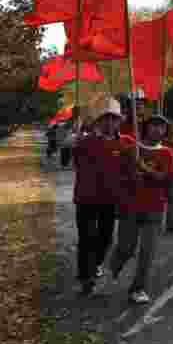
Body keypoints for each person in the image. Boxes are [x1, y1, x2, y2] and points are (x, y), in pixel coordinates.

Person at [109, 115, 173, 304]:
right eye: (154, 126)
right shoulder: (132, 149)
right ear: (145, 128)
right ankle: (115, 264)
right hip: (130, 206)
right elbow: (119, 173)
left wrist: (145, 169)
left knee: (148, 252)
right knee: (126, 248)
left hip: (154, 208)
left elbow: (164, 178)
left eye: (162, 127)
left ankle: (138, 288)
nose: (158, 130)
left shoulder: (167, 153)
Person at [72, 99, 133, 296]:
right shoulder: (85, 141)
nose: (109, 123)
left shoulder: (126, 142)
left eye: (113, 119)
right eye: (105, 119)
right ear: (98, 121)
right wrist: (76, 138)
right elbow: (70, 150)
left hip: (110, 199)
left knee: (105, 238)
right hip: (86, 198)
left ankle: (95, 263)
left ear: (119, 121)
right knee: (86, 238)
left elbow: (132, 166)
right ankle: (86, 277)